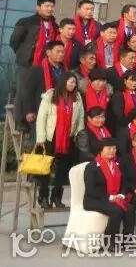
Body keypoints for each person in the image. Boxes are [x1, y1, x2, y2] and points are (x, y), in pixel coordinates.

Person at [35, 73, 84, 208]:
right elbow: (41, 118)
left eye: (75, 83)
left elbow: (80, 117)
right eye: (71, 82)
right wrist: (41, 138)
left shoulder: (77, 97)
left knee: (62, 170)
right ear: (63, 82)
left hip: (68, 138)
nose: (73, 85)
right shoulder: (51, 95)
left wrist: (78, 133)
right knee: (45, 169)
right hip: (51, 137)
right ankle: (43, 197)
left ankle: (57, 197)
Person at [10, 0, 57, 133]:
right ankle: (21, 122)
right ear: (38, 7)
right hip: (28, 62)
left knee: (41, 92)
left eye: (52, 6)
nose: (50, 9)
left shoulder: (55, 25)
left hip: (45, 64)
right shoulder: (26, 22)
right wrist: (24, 54)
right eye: (46, 6)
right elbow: (14, 41)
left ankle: (37, 120)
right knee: (23, 91)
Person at [82, 139, 135, 243]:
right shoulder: (92, 167)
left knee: (130, 209)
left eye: (114, 148)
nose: (112, 151)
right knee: (116, 210)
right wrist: (110, 197)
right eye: (109, 148)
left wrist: (121, 195)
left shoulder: (117, 165)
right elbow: (91, 189)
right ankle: (109, 242)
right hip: (95, 200)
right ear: (101, 150)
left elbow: (125, 184)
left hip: (115, 198)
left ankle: (127, 241)